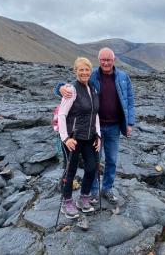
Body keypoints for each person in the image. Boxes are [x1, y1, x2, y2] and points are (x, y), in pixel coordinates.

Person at [55, 47, 135, 205]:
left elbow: (130, 100)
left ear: (114, 60)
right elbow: (73, 85)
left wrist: (130, 122)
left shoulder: (123, 77)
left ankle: (107, 189)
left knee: (111, 160)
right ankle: (91, 192)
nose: (106, 63)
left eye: (109, 60)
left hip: (114, 127)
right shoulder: (93, 76)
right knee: (95, 163)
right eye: (103, 60)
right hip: (93, 129)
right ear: (99, 61)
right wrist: (59, 88)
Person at [58, 57, 101, 218]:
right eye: (81, 70)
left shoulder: (93, 89)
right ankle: (66, 202)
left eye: (87, 69)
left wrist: (99, 136)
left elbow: (95, 114)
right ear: (75, 71)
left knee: (92, 168)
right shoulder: (71, 89)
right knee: (70, 171)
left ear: (91, 71)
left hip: (90, 137)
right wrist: (65, 138)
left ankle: (83, 198)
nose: (84, 72)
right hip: (73, 138)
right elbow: (62, 114)